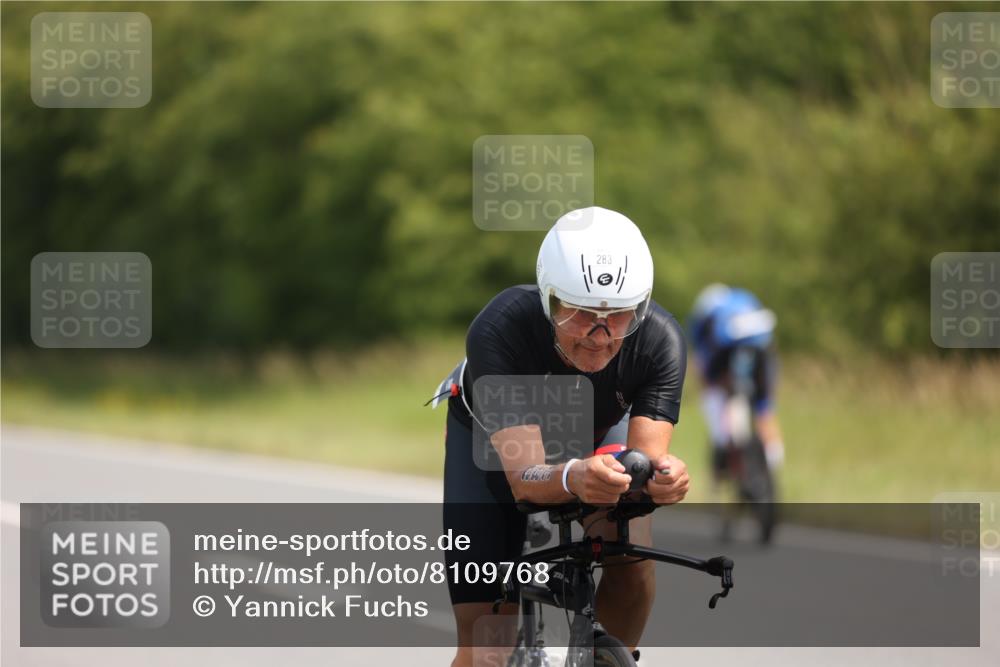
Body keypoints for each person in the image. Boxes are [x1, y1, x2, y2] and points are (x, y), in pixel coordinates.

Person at [435, 206, 690, 667]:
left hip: (593, 435)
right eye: (581, 312)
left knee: (630, 563)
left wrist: (660, 481)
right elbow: (525, 476)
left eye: (618, 316)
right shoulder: (501, 328)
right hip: (492, 443)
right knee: (485, 648)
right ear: (549, 299)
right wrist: (574, 477)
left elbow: (645, 466)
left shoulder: (660, 341)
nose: (599, 335)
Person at [687, 284, 785, 485]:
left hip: (730, 360)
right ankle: (773, 461)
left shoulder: (710, 319)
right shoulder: (744, 300)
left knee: (719, 397)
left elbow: (706, 365)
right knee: (764, 408)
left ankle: (725, 445)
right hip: (762, 356)